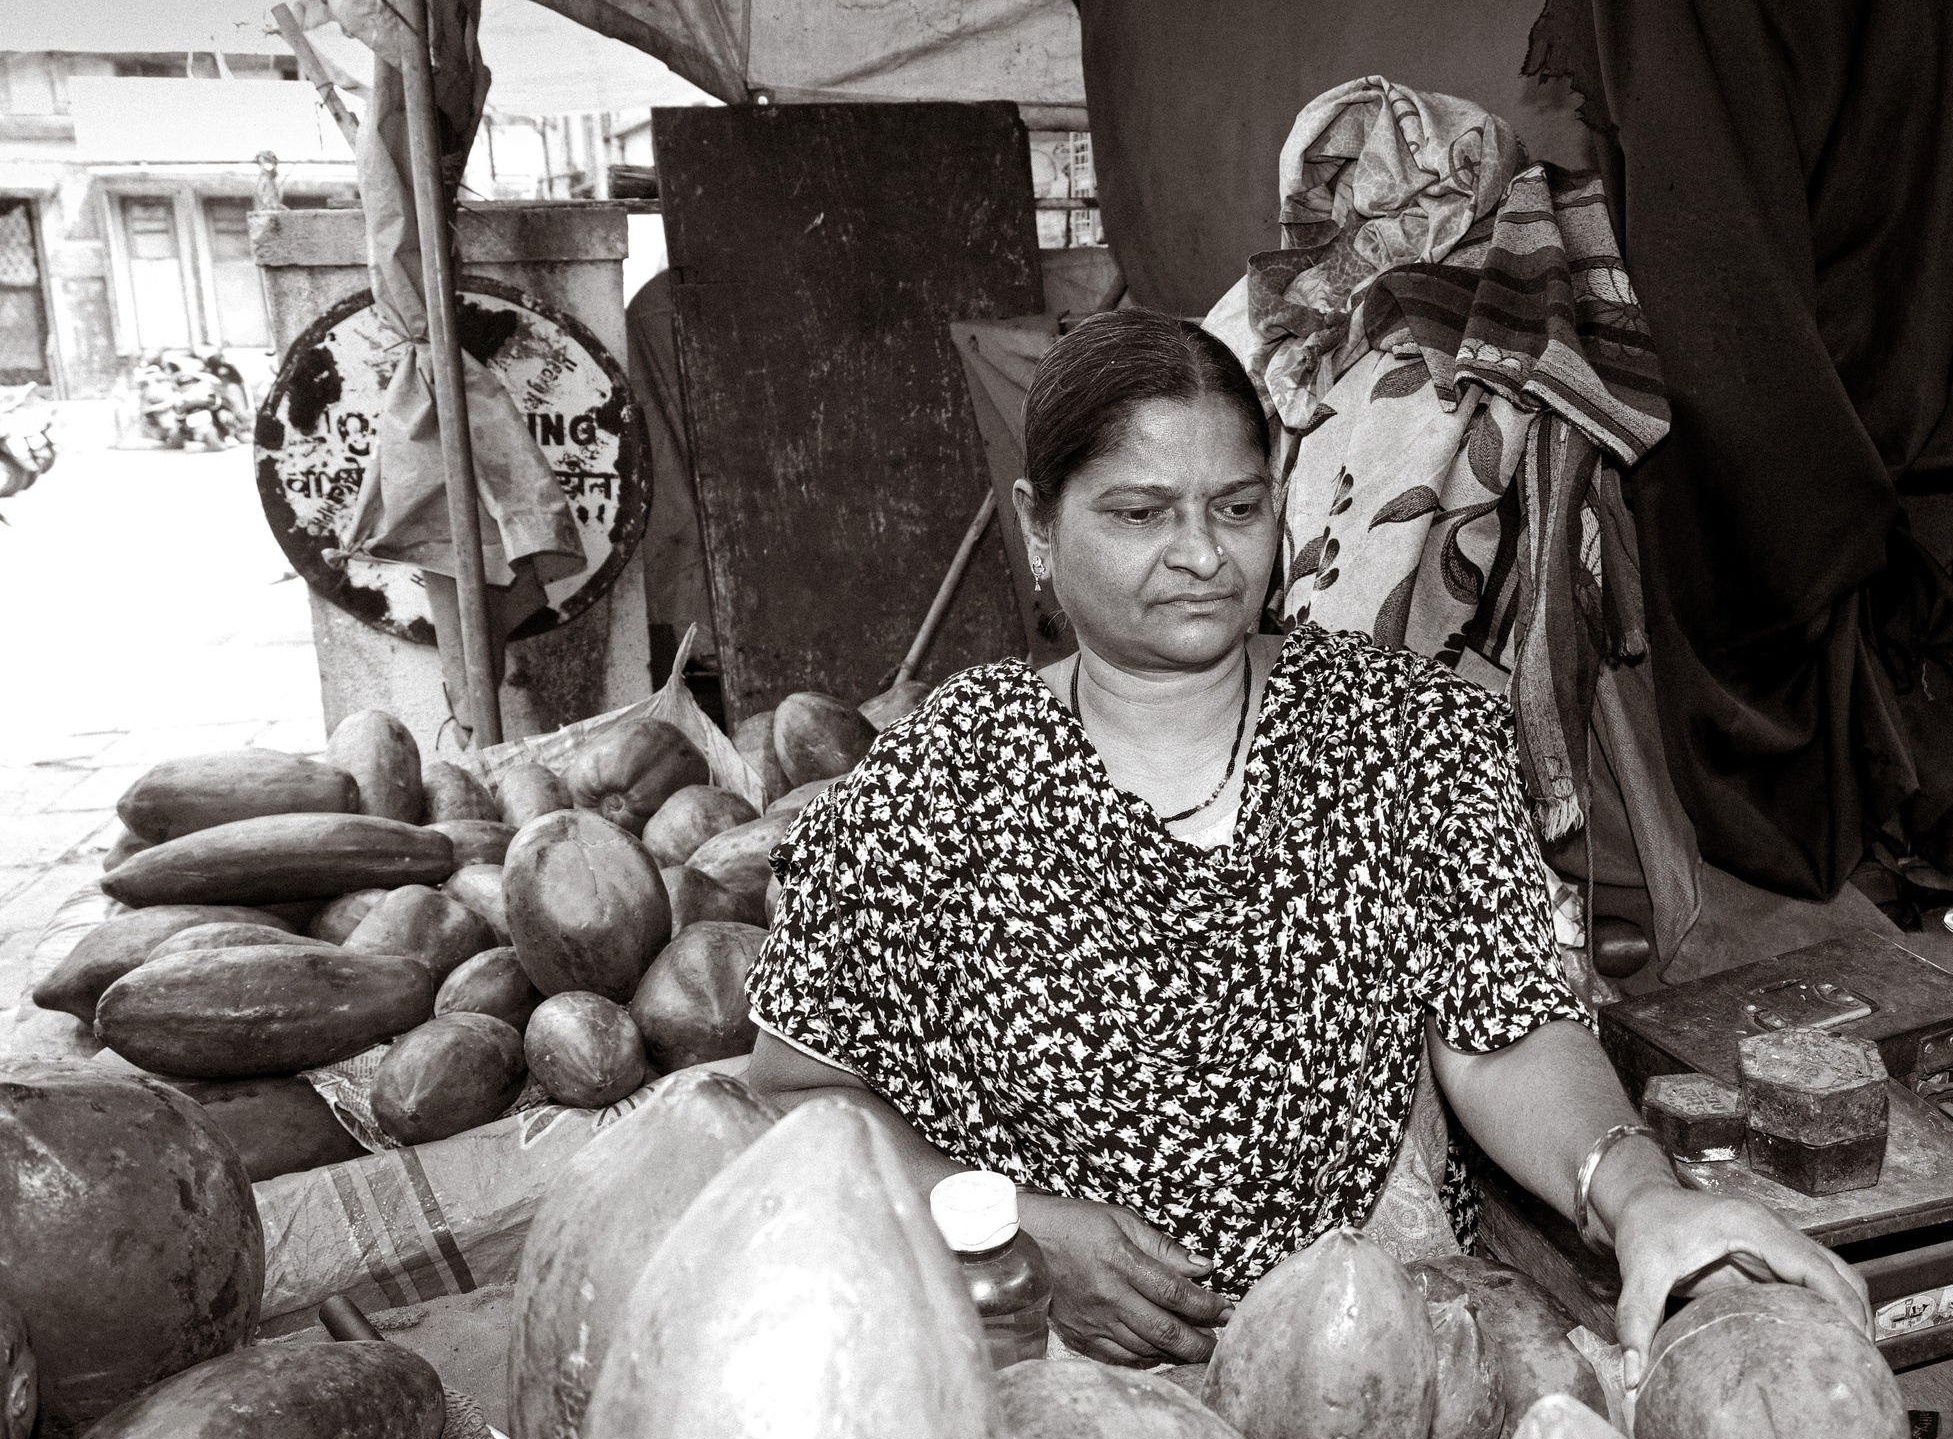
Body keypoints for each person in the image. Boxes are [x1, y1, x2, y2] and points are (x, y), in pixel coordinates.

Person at [744, 307, 1867, 1379]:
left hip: (1378, 1365)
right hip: (1046, 1375)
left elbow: (1507, 1028)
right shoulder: (939, 778)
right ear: (1040, 525)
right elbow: (800, 1092)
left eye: (1234, 508)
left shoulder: (1404, 735)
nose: (1198, 554)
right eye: (1139, 513)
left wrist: (1638, 1195)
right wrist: (1004, 1227)